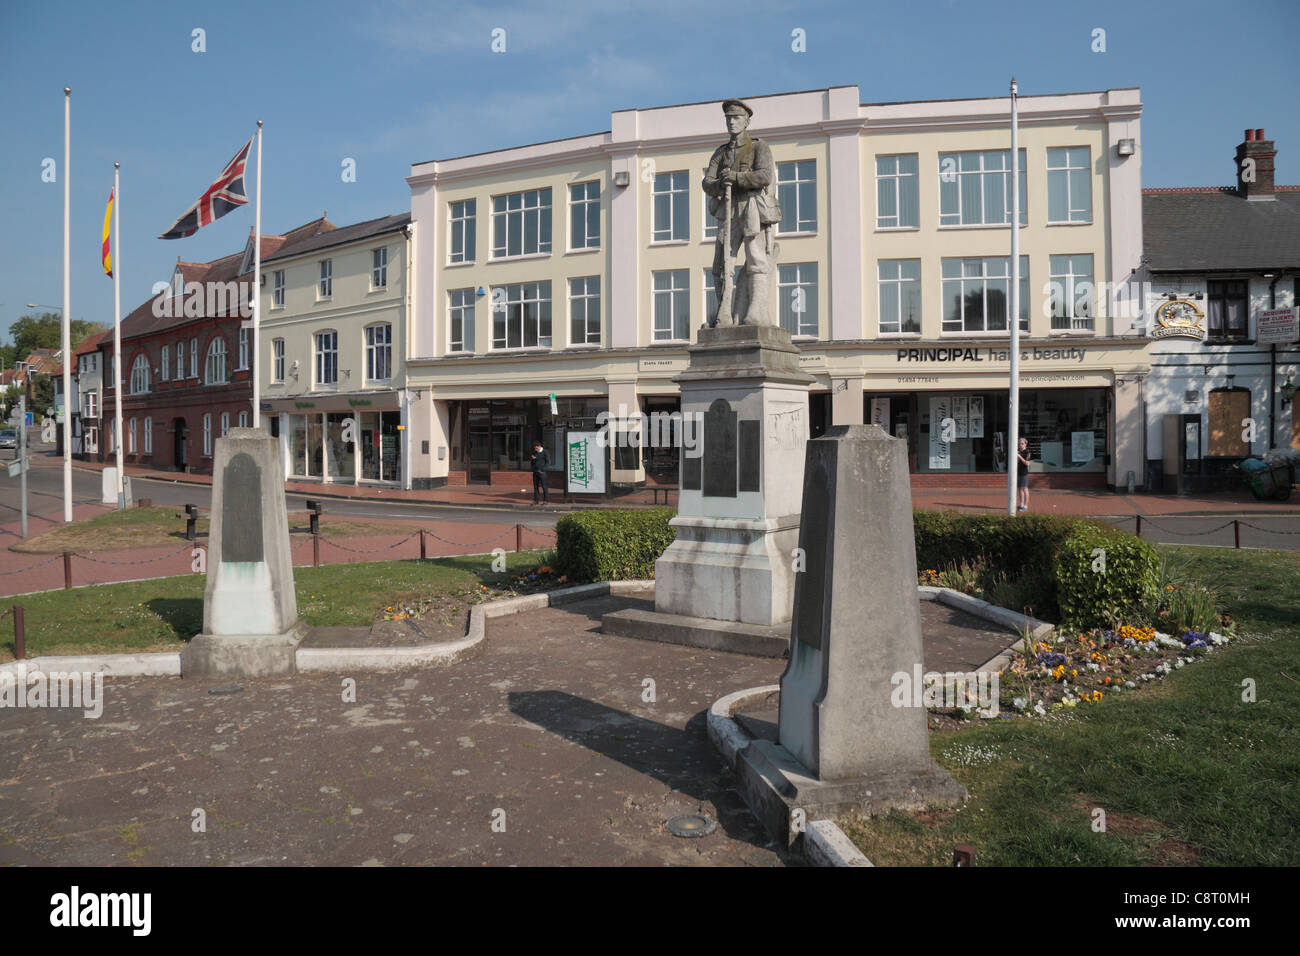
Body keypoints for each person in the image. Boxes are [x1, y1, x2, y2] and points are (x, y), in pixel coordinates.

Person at [701, 98, 782, 326]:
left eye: (736, 118)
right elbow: (707, 182)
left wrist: (736, 177)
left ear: (746, 121)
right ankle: (723, 313)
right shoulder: (722, 152)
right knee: (721, 264)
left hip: (751, 207)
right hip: (727, 212)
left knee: (756, 258)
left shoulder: (758, 147)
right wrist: (719, 184)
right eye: (728, 118)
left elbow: (765, 175)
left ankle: (756, 312)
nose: (731, 122)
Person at [530, 440, 550, 505]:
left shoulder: (545, 452)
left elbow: (548, 462)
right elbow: (532, 462)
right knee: (535, 487)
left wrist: (543, 469)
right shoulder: (534, 452)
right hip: (535, 472)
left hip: (542, 472)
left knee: (544, 486)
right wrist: (533, 459)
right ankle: (536, 500)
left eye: (536, 448)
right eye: (534, 448)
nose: (535, 449)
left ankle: (546, 500)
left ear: (539, 446)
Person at [1016, 437, 1031, 512]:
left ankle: (1025, 505)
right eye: (1019, 443)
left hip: (1024, 473)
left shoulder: (1027, 452)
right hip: (1018, 472)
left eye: (1022, 443)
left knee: (1024, 488)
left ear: (1025, 444)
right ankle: (1021, 504)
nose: (1020, 445)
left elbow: (1027, 463)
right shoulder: (1018, 451)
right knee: (1020, 489)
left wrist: (1020, 457)